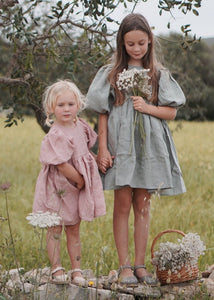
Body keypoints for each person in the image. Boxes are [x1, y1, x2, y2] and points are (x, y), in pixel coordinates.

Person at [86, 13, 186, 286]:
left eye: (141, 43)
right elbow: (102, 112)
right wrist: (102, 148)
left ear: (150, 41)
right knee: (122, 204)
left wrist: (147, 107)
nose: (137, 49)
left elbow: (171, 112)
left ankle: (141, 265)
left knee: (143, 204)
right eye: (130, 44)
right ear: (122, 43)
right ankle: (124, 266)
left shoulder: (157, 74)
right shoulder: (112, 74)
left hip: (149, 147)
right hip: (121, 145)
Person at [33, 79, 106, 285]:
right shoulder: (55, 134)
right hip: (59, 187)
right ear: (51, 108)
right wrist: (81, 181)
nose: (66, 109)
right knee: (55, 228)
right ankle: (57, 268)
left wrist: (100, 159)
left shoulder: (80, 126)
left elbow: (88, 149)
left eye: (70, 104)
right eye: (60, 105)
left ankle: (77, 270)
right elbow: (62, 165)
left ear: (78, 105)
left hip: (75, 188)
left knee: (74, 228)